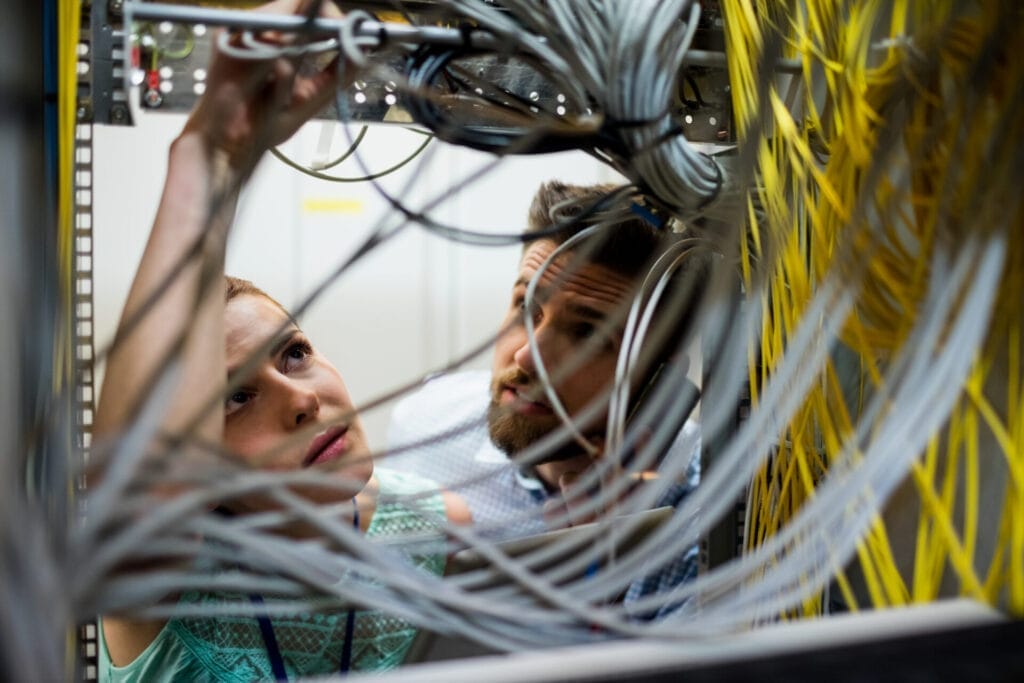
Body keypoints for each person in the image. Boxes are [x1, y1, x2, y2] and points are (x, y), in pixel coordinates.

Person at [94, 1, 469, 679]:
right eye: (235, 397)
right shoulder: (167, 585)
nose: (300, 400)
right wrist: (210, 152)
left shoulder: (437, 528)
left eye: (294, 352)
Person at [387, 180, 707, 615]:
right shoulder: (426, 426)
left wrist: (605, 593)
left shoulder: (702, 511)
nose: (525, 356)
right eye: (525, 308)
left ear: (659, 377)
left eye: (588, 334)